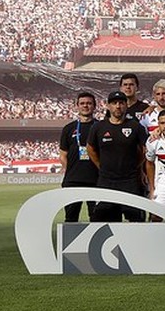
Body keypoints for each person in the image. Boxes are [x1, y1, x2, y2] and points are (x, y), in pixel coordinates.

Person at [86, 90, 148, 222]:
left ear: (126, 105)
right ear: (108, 106)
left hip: (130, 181)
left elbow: (145, 150)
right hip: (106, 180)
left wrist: (136, 165)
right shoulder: (98, 127)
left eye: (121, 103)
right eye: (114, 103)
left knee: (136, 220)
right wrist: (100, 165)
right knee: (103, 220)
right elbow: (90, 148)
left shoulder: (135, 127)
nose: (118, 106)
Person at [59, 91, 99, 222]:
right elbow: (63, 154)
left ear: (94, 106)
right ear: (77, 106)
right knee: (70, 218)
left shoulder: (100, 127)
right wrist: (70, 170)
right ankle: (70, 243)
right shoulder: (68, 128)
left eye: (89, 103)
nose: (85, 106)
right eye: (82, 103)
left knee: (97, 218)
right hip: (73, 180)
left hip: (96, 180)